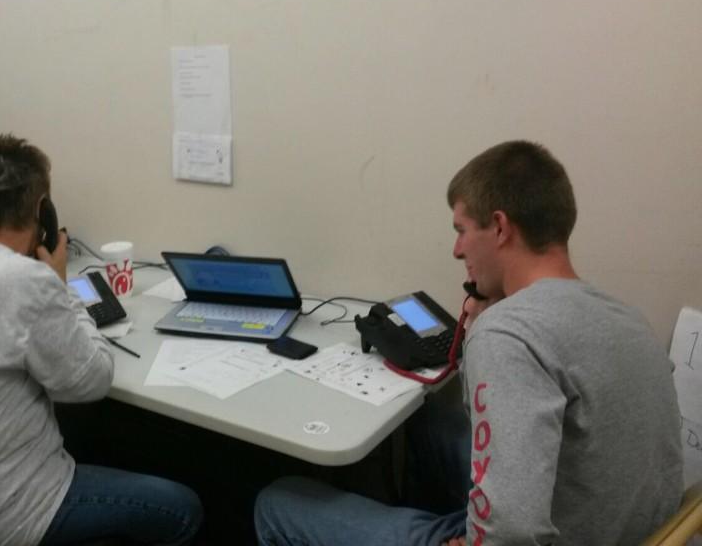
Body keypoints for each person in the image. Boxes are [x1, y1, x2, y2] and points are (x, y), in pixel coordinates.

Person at [254, 140, 683, 545]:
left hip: (537, 537)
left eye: (461, 230)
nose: (458, 250)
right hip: (620, 527)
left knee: (278, 501)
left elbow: (513, 531)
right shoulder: (625, 317)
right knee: (429, 423)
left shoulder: (507, 335)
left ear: (499, 227)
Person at [0, 134, 203, 546]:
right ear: (44, 209)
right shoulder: (27, 281)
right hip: (6, 514)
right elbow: (93, 380)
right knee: (182, 507)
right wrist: (58, 282)